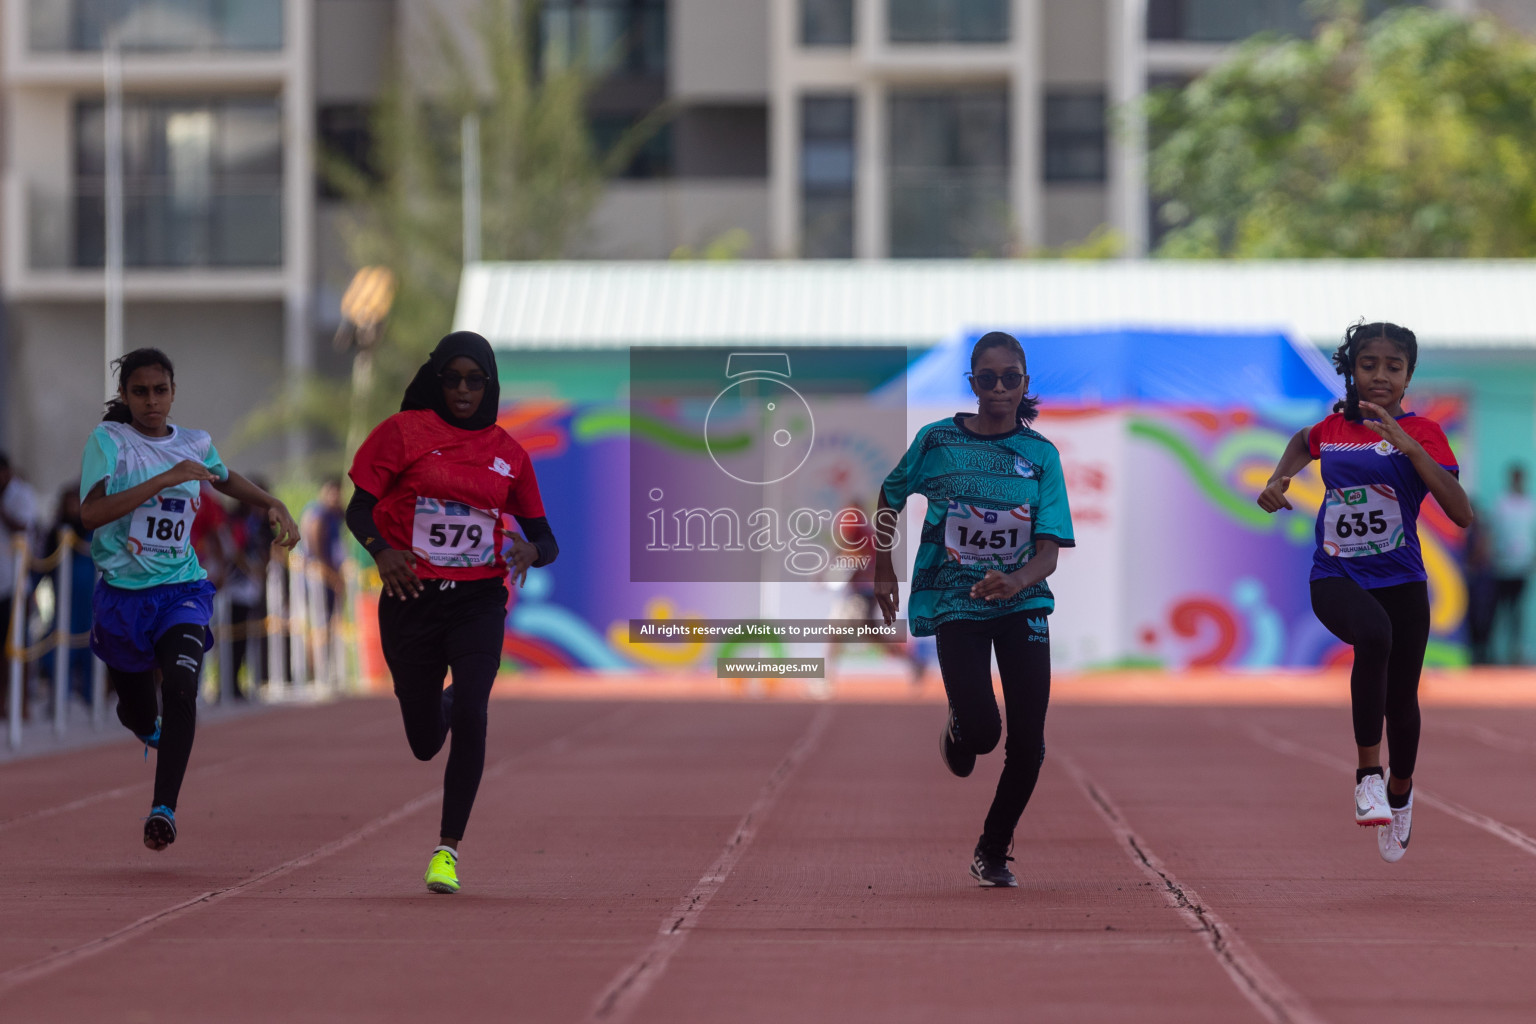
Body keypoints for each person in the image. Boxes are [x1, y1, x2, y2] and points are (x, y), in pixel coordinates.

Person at [346, 331, 557, 895]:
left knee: (474, 711)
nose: (463, 390)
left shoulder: (509, 453)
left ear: (489, 384)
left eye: (475, 380)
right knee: (423, 740)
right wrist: (382, 551)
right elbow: (358, 506)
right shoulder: (402, 433)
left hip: (478, 597)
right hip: (411, 597)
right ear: (438, 379)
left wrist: (529, 550)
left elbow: (546, 539)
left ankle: (447, 850)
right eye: (453, 378)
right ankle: (443, 699)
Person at [1258, 321, 1472, 863]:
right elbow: (1300, 443)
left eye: (1392, 367)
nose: (1379, 376)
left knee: (1402, 703)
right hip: (1336, 574)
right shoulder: (1332, 428)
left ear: (1408, 376)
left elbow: (1461, 513)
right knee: (1372, 636)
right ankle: (1367, 778)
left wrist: (1410, 450)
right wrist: (1278, 480)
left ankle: (1399, 794)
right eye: (1368, 365)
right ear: (1351, 369)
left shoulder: (1424, 432)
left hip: (1402, 580)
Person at [873, 331, 1075, 888]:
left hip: (1022, 601)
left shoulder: (1040, 457)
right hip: (956, 600)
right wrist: (884, 567)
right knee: (985, 734)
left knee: (1028, 742)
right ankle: (960, 730)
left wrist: (1015, 581)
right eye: (988, 379)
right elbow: (890, 494)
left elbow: (1049, 552)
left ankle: (992, 848)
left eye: (1011, 377)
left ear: (1025, 383)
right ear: (973, 383)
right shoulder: (937, 441)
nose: (1000, 388)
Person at [79, 348, 298, 850]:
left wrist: (270, 502)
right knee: (138, 712)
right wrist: (162, 480)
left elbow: (223, 477)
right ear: (125, 396)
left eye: (160, 391)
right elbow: (91, 515)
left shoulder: (196, 443)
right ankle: (142, 722)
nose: (151, 402)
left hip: (181, 588)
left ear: (174, 393)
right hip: (122, 597)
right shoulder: (109, 442)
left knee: (181, 684)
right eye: (140, 392)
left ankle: (163, 810)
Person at [37, 485, 96, 707]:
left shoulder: (92, 531)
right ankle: (60, 695)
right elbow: (44, 565)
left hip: (90, 600)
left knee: (92, 645)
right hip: (65, 599)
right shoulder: (58, 532)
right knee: (61, 642)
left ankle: (92, 695)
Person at [0, 451, 40, 719]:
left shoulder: (21, 494)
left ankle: (22, 702)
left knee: (18, 646)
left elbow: (23, 527)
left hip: (15, 584)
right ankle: (3, 702)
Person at [1489, 465, 1535, 664]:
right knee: (1500, 611)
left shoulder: (1530, 504)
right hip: (1501, 566)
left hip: (1522, 565)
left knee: (1517, 612)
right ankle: (1495, 653)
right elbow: (1492, 532)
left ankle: (1516, 651)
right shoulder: (1501, 503)